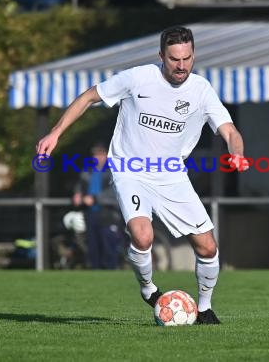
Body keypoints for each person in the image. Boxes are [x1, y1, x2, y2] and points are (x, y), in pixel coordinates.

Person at [36, 26, 249, 324]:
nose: (182, 66)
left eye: (187, 58)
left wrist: (236, 153)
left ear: (193, 54)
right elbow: (88, 97)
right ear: (161, 56)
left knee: (208, 246)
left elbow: (230, 131)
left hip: (172, 175)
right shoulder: (138, 78)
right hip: (129, 170)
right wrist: (56, 132)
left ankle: (204, 308)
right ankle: (148, 289)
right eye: (174, 59)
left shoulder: (201, 90)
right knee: (142, 234)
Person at [72, 142, 122, 269]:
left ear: (106, 155)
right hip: (90, 212)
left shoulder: (113, 170)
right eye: (95, 154)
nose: (97, 157)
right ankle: (95, 271)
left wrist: (95, 198)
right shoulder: (87, 170)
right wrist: (77, 193)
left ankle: (111, 271)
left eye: (101, 154)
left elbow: (114, 192)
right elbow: (80, 185)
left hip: (108, 212)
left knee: (108, 245)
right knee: (93, 245)